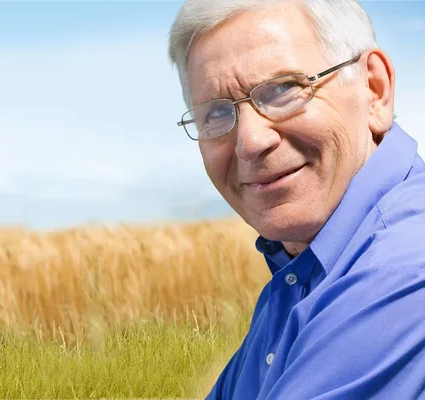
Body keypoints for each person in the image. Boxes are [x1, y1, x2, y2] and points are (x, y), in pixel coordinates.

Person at [168, 0, 425, 398]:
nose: (251, 142)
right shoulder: (303, 267)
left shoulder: (402, 272)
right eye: (217, 113)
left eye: (285, 89)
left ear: (374, 90)